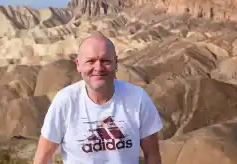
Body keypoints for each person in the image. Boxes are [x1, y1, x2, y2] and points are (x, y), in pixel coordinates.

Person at [33, 32, 163, 164]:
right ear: (78, 64)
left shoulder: (138, 98)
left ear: (116, 63)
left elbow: (152, 156)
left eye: (105, 61)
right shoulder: (65, 102)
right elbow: (42, 158)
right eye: (90, 61)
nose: (98, 67)